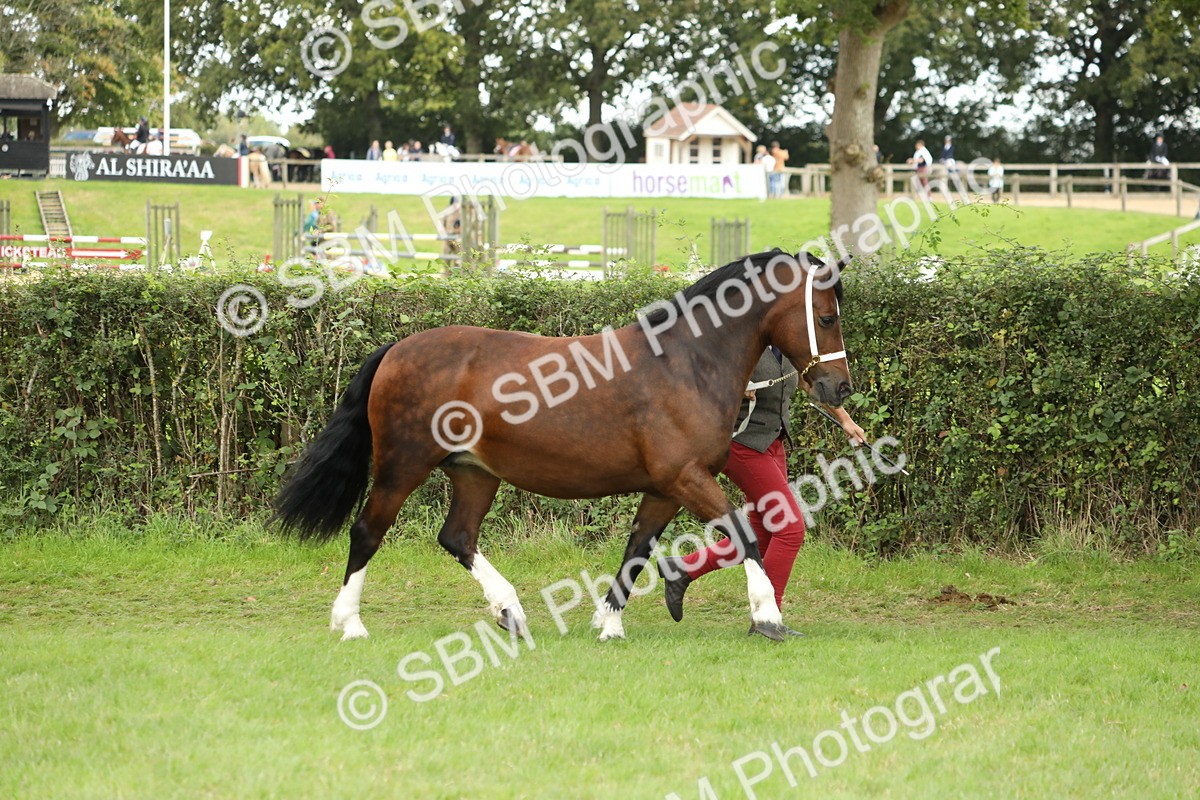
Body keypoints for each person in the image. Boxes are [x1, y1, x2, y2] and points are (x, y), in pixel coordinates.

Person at [657, 347, 867, 638]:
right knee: (790, 529)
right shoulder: (739, 340)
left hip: (773, 442)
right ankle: (768, 619)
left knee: (764, 533)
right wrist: (733, 387)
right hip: (741, 445)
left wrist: (846, 420)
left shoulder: (787, 344)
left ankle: (683, 569)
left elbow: (809, 382)